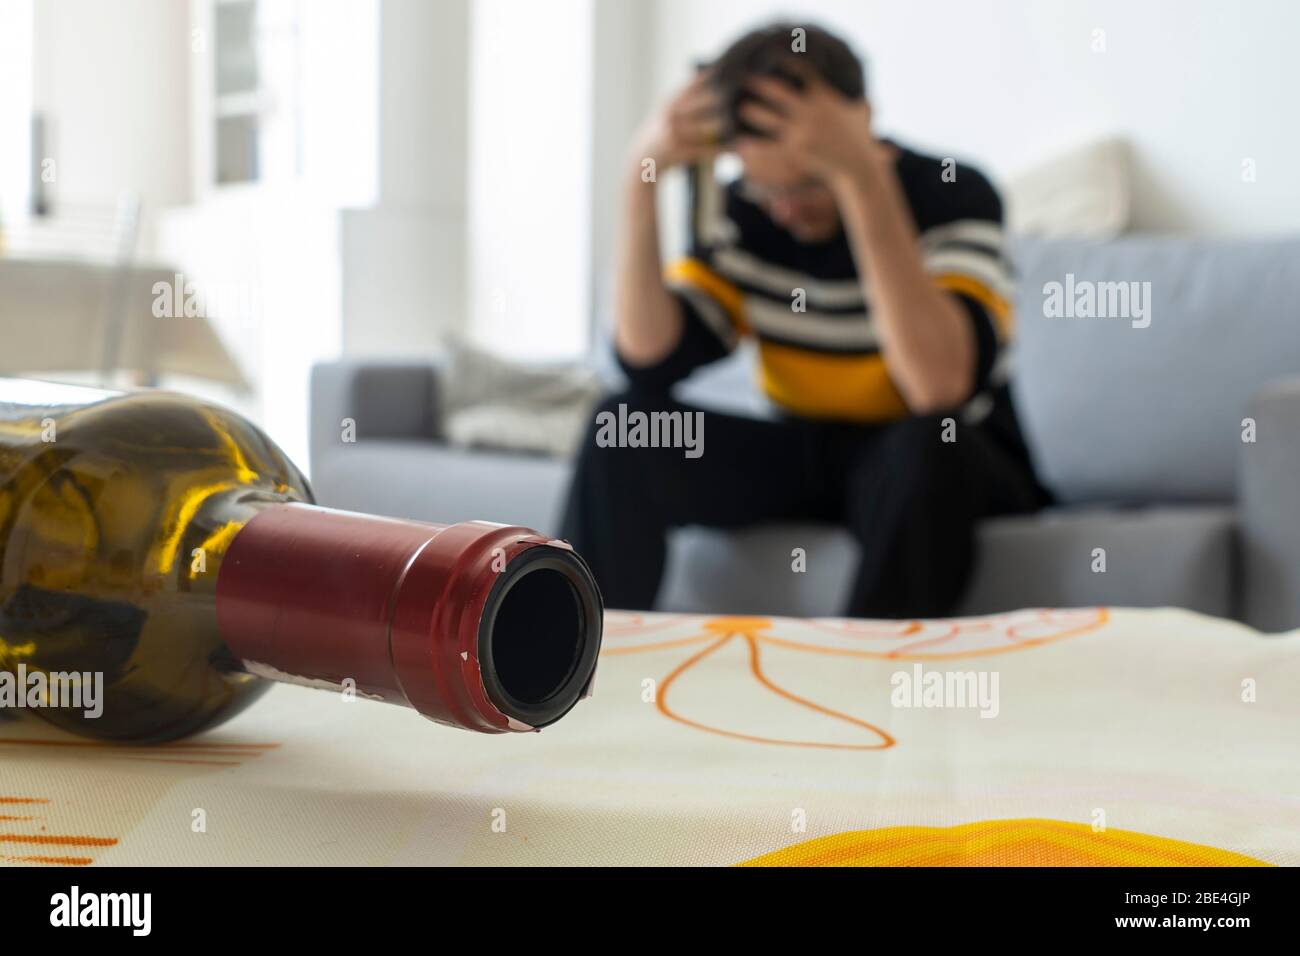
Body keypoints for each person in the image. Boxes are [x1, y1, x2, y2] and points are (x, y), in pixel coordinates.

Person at [561, 21, 1050, 618]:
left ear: (863, 119)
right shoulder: (748, 212)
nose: (788, 209)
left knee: (927, 445)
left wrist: (860, 179)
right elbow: (647, 358)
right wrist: (642, 175)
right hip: (811, 455)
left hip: (947, 456)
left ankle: (869, 692)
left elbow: (937, 386)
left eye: (809, 184)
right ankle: (578, 668)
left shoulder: (955, 194)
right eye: (771, 190)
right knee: (623, 425)